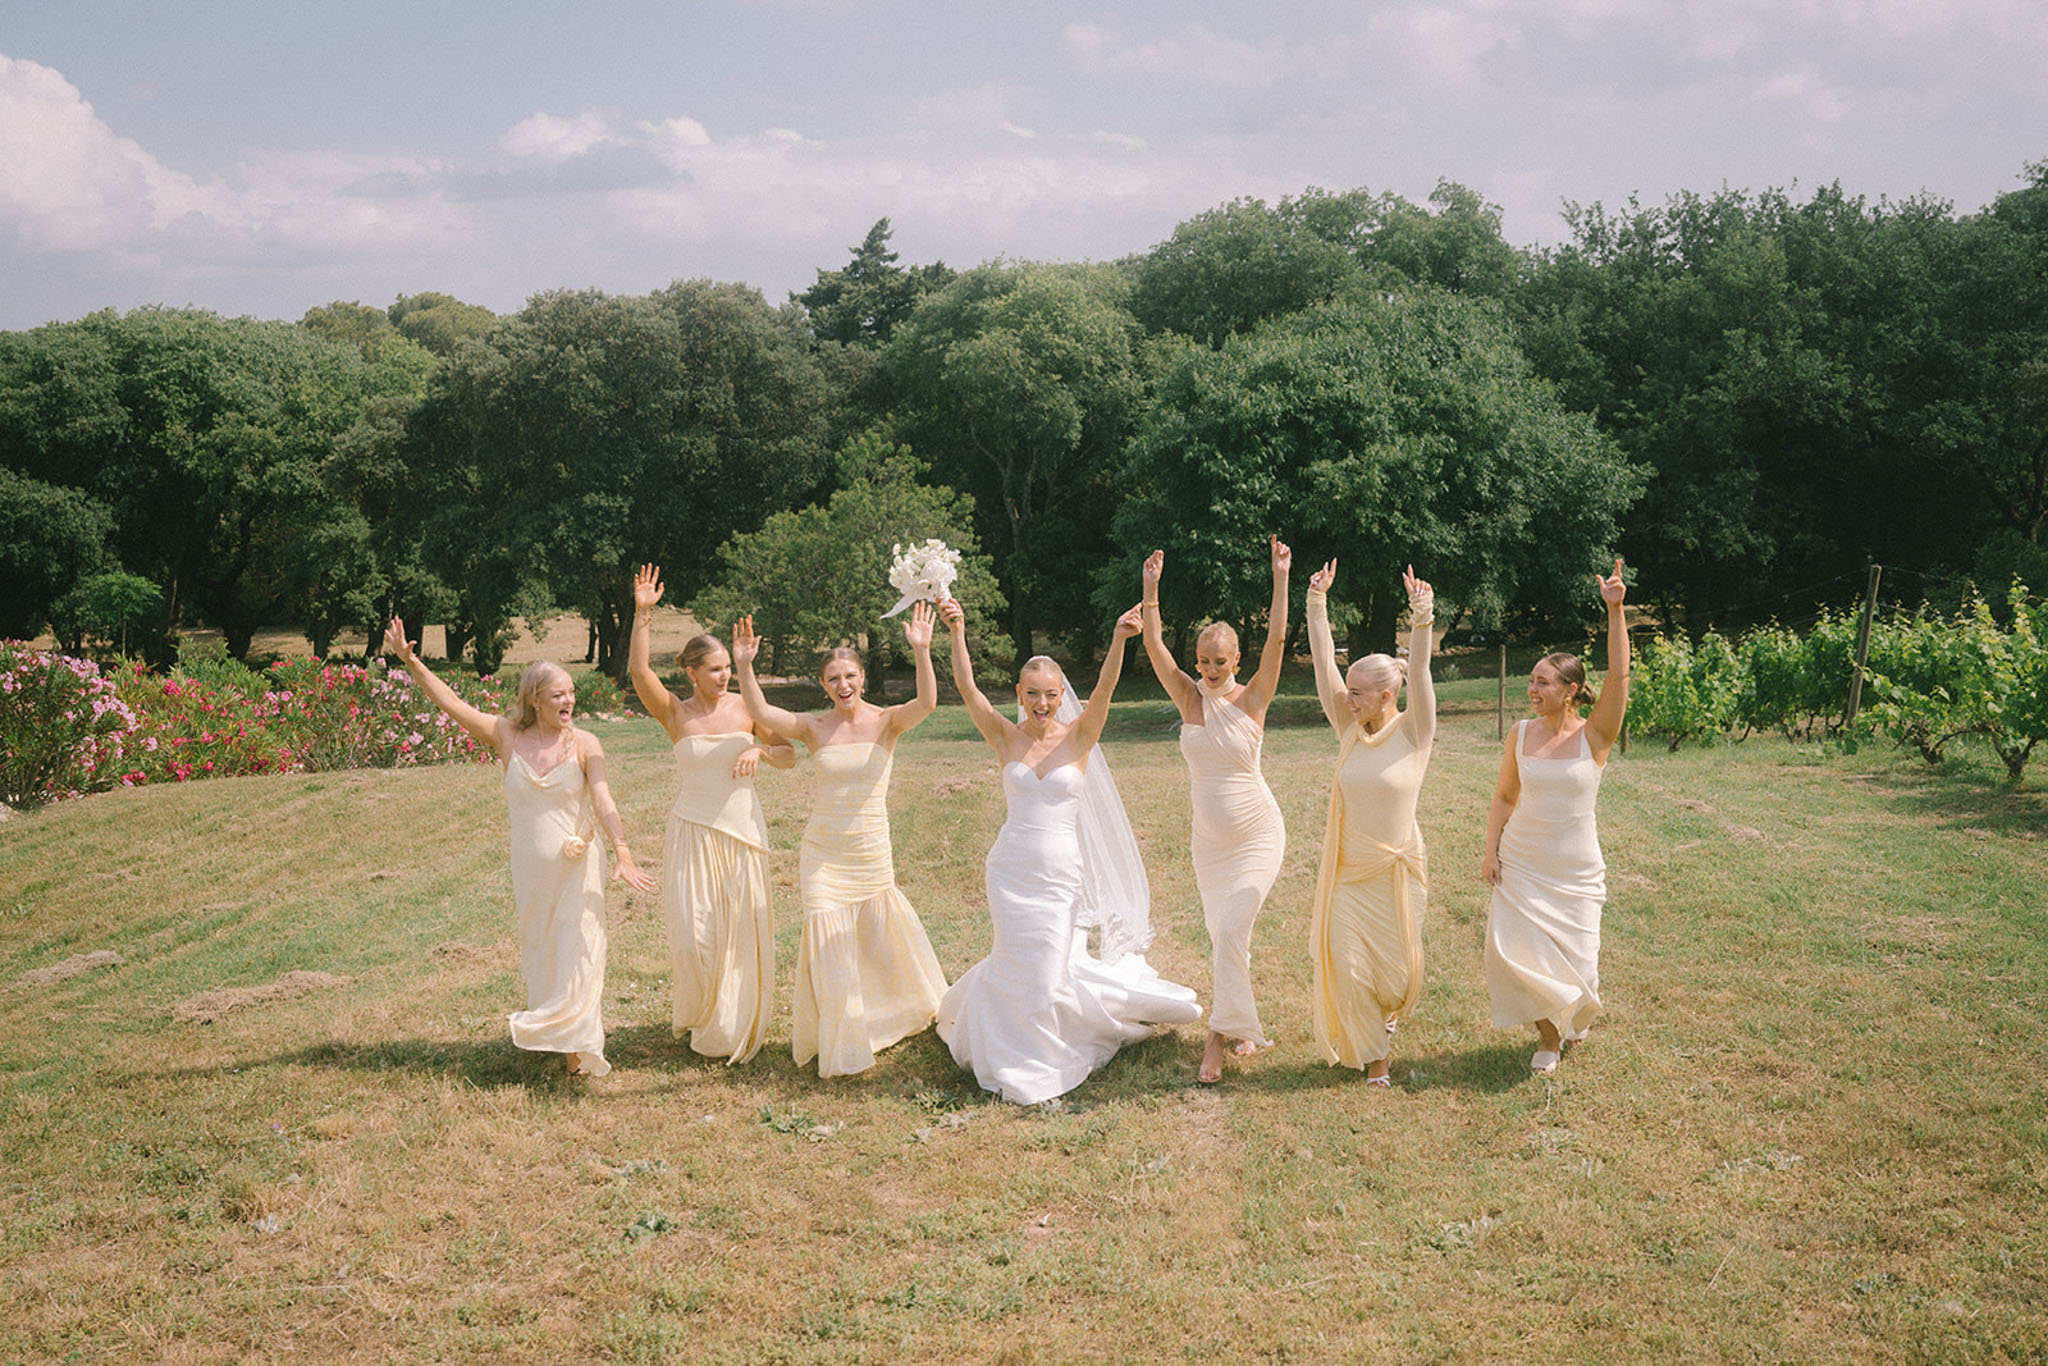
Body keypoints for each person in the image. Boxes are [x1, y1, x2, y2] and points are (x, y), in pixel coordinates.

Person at [934, 596, 1201, 1105]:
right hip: (1010, 869)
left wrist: (1120, 640)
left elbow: (1104, 689)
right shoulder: (1004, 737)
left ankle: (1049, 1051)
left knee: (1047, 971)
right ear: (1019, 692)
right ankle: (1013, 1051)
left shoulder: (1080, 736)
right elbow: (967, 688)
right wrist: (957, 631)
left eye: (1050, 695)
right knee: (1016, 962)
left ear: (1062, 695)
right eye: (1032, 694)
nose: (1041, 704)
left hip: (1058, 874)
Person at [381, 618, 654, 1078]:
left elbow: (604, 801)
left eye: (571, 692)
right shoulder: (506, 734)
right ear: (534, 699)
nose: (569, 700)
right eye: (558, 694)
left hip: (577, 868)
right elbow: (450, 703)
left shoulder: (586, 743)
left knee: (579, 950)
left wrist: (623, 851)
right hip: (531, 872)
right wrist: (411, 662)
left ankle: (577, 1051)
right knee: (544, 951)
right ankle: (554, 1032)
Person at [731, 604, 948, 1077]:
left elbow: (927, 704)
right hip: (823, 854)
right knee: (829, 941)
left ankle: (896, 1011)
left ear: (863, 678)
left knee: (878, 938)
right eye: (833, 679)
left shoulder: (888, 721)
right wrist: (745, 666)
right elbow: (762, 712)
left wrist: (923, 651)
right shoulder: (814, 727)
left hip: (870, 848)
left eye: (850, 675)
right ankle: (842, 1033)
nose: (843, 685)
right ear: (823, 684)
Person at [627, 564, 794, 1065]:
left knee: (738, 932)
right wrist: (642, 615)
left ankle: (730, 1026)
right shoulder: (675, 713)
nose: (723, 677)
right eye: (714, 669)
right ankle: (703, 1011)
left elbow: (789, 755)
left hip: (741, 834)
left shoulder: (749, 708)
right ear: (691, 672)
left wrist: (759, 752)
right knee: (696, 934)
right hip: (692, 833)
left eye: (727, 668)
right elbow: (638, 673)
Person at [1138, 538, 1290, 1085]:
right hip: (1209, 843)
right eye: (1202, 660)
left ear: (1236, 660)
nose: (1207, 669)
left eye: (1218, 661)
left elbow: (1276, 637)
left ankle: (1217, 1041)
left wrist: (1280, 577)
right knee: (1227, 935)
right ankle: (1244, 1024)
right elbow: (1154, 645)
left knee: (1228, 932)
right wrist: (1151, 587)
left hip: (1256, 832)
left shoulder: (1253, 698)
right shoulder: (1188, 697)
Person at [1482, 559, 1632, 1077]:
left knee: (1581, 960)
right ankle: (1548, 1036)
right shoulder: (1520, 734)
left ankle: (1575, 1011)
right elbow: (1504, 796)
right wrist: (1491, 852)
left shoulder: (1595, 736)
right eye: (1531, 681)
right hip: (1523, 862)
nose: (1534, 689)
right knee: (1525, 958)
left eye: (1544, 683)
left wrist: (1615, 612)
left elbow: (1618, 675)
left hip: (1575, 871)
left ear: (1570, 691)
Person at [1304, 561, 1438, 1086]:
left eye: (1357, 691)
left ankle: (1386, 1014)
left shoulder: (1414, 732)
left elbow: (1421, 673)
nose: (1346, 696)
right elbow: (1322, 667)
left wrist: (1421, 616)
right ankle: (1375, 1057)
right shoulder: (1348, 728)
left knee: (1398, 974)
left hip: (1399, 870)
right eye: (1347, 689)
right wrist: (1317, 604)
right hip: (1348, 872)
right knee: (1347, 962)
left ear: (1387, 695)